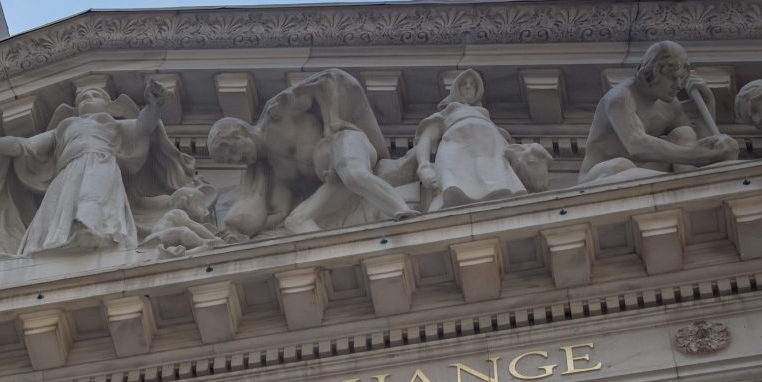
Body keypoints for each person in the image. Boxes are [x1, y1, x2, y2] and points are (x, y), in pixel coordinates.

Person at [0, 79, 195, 256]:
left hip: (101, 163)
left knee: (93, 195)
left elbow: (144, 127)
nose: (87, 98)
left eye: (95, 95)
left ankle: (91, 230)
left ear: (108, 106)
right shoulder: (65, 127)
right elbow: (26, 146)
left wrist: (154, 104)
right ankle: (53, 240)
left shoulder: (111, 123)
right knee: (57, 206)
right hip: (68, 171)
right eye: (83, 97)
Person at [208, 69, 416, 238]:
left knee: (351, 172)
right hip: (335, 182)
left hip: (343, 144)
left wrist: (332, 122)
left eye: (233, 151)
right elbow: (281, 213)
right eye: (229, 160)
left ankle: (404, 214)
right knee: (295, 220)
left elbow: (328, 82)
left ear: (242, 132)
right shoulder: (274, 172)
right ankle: (334, 260)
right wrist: (239, 231)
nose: (236, 159)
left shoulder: (276, 115)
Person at [579, 40, 740, 185]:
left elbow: (697, 141)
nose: (679, 85)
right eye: (673, 78)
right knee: (621, 165)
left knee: (684, 132)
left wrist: (708, 104)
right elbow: (637, 145)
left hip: (645, 172)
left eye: (682, 78)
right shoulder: (620, 98)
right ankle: (681, 183)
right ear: (651, 72)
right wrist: (696, 154)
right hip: (601, 176)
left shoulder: (670, 105)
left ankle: (690, 182)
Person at [414, 69, 550, 212]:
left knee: (502, 191)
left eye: (472, 84)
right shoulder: (447, 112)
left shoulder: (485, 117)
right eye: (464, 84)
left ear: (477, 90)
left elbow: (507, 148)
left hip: (491, 156)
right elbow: (426, 137)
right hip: (456, 153)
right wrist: (424, 165)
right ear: (457, 89)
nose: (468, 86)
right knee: (451, 192)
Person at [138, 185, 225, 256]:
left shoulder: (175, 219)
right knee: (184, 230)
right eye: (199, 204)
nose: (204, 209)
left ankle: (189, 252)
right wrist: (213, 238)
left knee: (182, 235)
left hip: (159, 242)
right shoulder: (177, 212)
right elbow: (194, 226)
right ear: (185, 202)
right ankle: (204, 243)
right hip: (155, 239)